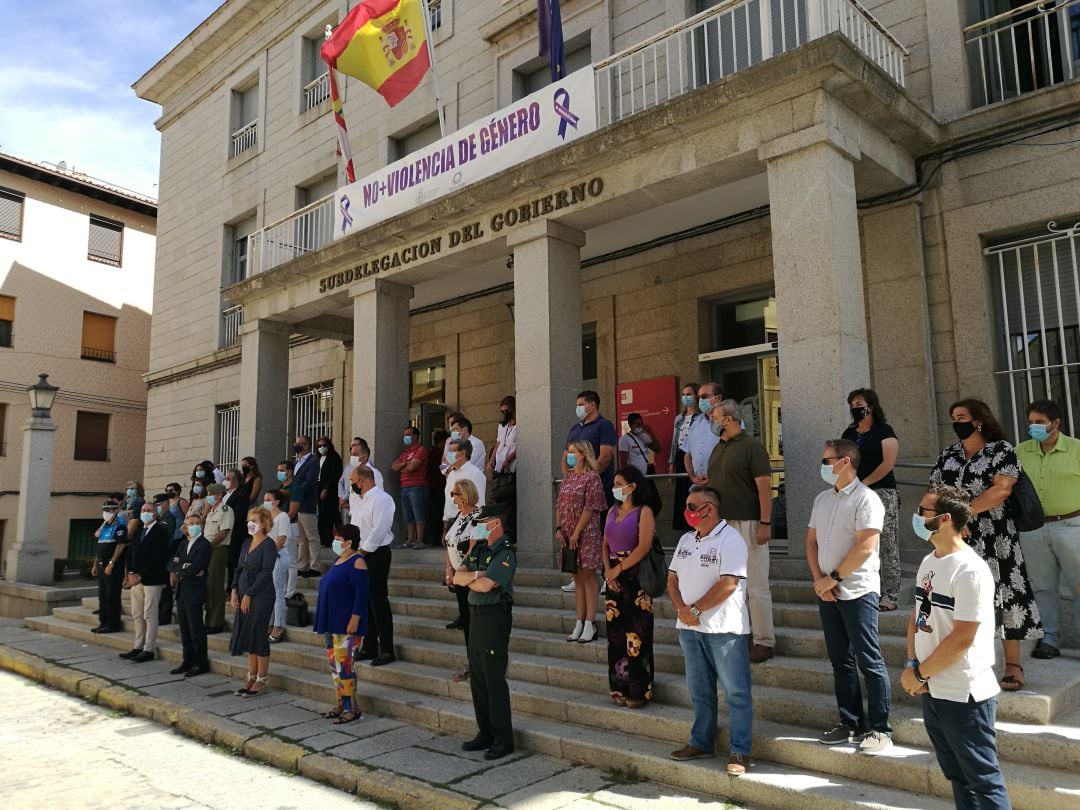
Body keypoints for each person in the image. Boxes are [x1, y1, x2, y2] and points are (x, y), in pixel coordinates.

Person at [903, 485, 1010, 809]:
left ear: (945, 519)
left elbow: (963, 638)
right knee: (957, 775)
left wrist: (920, 673)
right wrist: (912, 666)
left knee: (982, 779)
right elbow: (917, 616)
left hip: (964, 694)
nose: (917, 517)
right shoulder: (929, 561)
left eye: (924, 511)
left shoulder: (970, 569)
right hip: (933, 689)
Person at [930, 399, 1043, 690]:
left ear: (979, 420)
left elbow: (1002, 488)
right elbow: (936, 491)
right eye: (953, 417)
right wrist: (952, 520)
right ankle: (961, 659)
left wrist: (965, 512)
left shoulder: (1001, 450)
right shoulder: (949, 455)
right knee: (960, 597)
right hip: (957, 537)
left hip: (997, 536)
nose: (956, 422)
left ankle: (1013, 664)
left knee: (1006, 593)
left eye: (962, 416)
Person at [808, 439, 892, 753]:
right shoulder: (822, 499)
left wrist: (835, 578)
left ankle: (880, 728)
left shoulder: (866, 499)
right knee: (840, 659)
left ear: (845, 462)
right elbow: (811, 542)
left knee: (869, 660)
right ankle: (850, 722)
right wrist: (820, 580)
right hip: (828, 590)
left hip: (857, 590)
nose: (823, 466)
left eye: (826, 460)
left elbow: (866, 546)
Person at [667, 485, 753, 776]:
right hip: (690, 628)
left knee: (736, 692)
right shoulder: (686, 539)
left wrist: (694, 610)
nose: (688, 511)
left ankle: (740, 751)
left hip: (723, 628)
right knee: (699, 691)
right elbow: (671, 578)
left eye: (692, 506)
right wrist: (682, 610)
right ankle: (701, 742)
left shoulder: (731, 539)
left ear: (710, 509)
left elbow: (729, 583)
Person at [706, 399, 776, 664]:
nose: (711, 420)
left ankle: (763, 641)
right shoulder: (718, 448)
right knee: (730, 585)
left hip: (749, 523)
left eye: (715, 416)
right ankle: (739, 634)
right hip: (722, 525)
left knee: (756, 585)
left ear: (728, 418)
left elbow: (764, 488)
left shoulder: (752, 447)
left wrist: (766, 523)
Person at [1015, 398, 1080, 659]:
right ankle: (1049, 639)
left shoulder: (1076, 449)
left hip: (1072, 525)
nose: (1034, 427)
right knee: (1041, 586)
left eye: (1039, 422)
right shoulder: (1020, 451)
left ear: (1055, 423)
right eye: (1030, 423)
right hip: (1033, 529)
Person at [453, 504, 517, 760]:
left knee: (493, 677)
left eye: (483, 521)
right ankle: (485, 732)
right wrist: (475, 576)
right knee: (478, 677)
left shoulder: (505, 553)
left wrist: (475, 578)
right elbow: (458, 578)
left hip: (494, 618)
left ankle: (503, 738)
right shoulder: (478, 549)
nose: (478, 526)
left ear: (496, 524)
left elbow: (488, 585)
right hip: (476, 618)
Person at [602, 466, 660, 708]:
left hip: (636, 574)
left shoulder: (643, 512)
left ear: (632, 486)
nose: (615, 487)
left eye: (619, 483)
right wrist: (608, 570)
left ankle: (639, 690)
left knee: (638, 634)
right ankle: (619, 688)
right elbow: (604, 542)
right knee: (616, 636)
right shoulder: (612, 512)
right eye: (613, 483)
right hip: (613, 574)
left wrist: (619, 569)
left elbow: (643, 547)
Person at [842, 388, 902, 612]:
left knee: (887, 543)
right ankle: (867, 590)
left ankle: (891, 594)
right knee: (860, 542)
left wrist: (863, 483)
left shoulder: (884, 431)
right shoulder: (850, 433)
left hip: (882, 491)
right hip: (854, 493)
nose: (854, 408)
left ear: (871, 406)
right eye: (851, 405)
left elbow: (888, 463)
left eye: (858, 404)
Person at [315, 523, 370, 725]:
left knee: (344, 666)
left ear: (348, 542)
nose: (335, 542)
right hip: (331, 622)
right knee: (335, 666)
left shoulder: (357, 562)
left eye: (338, 539)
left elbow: (362, 595)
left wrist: (355, 619)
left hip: (346, 624)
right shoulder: (339, 560)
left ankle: (350, 708)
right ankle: (341, 702)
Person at [556, 440, 607, 644]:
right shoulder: (568, 477)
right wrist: (559, 528)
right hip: (567, 534)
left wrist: (577, 532)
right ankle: (579, 620)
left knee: (588, 575)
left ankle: (590, 622)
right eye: (567, 452)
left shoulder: (592, 477)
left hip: (586, 533)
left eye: (572, 452)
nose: (569, 455)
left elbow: (590, 507)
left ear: (583, 455)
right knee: (576, 577)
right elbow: (559, 504)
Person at [229, 508, 279, 697]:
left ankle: (262, 678)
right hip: (243, 593)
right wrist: (234, 590)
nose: (250, 523)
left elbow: (266, 572)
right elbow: (239, 568)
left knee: (258, 633)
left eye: (255, 520)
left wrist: (249, 594)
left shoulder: (268, 545)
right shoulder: (246, 542)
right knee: (247, 634)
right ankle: (252, 675)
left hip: (261, 595)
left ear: (264, 523)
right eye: (249, 520)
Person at [351, 467, 397, 667]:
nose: (351, 484)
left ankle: (387, 648)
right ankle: (369, 644)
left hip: (376, 554)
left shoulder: (382, 499)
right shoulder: (360, 500)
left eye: (353, 480)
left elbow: (379, 529)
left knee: (378, 601)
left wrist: (363, 552)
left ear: (362, 481)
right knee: (365, 601)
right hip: (359, 553)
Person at [119, 502, 172, 662]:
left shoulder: (161, 531)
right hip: (136, 580)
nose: (145, 513)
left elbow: (159, 557)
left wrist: (140, 574)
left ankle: (149, 649)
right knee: (137, 613)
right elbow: (131, 553)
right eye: (143, 510)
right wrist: (130, 573)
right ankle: (138, 646)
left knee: (150, 613)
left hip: (153, 579)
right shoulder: (138, 531)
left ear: (155, 514)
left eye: (149, 510)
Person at [443, 478, 481, 680]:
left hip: (471, 577)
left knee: (475, 623)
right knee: (466, 621)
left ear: (464, 495)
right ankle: (471, 662)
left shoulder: (480, 517)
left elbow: (478, 546)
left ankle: (478, 664)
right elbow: (448, 544)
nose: (453, 498)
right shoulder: (458, 516)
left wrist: (463, 569)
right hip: (457, 576)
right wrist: (449, 569)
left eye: (455, 494)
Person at [168, 513, 211, 677]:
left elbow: (197, 566)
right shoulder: (183, 544)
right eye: (190, 523)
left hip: (194, 591)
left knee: (196, 629)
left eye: (196, 523)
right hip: (181, 591)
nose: (193, 525)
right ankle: (188, 660)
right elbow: (171, 563)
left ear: (201, 526)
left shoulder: (204, 545)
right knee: (185, 629)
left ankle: (201, 662)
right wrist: (183, 568)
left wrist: (183, 568)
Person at [564, 390, 618, 503]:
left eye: (581, 405)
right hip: (576, 488)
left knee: (599, 519)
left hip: (599, 486)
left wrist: (588, 480)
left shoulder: (604, 425)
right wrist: (570, 481)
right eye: (577, 405)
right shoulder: (575, 428)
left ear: (592, 405)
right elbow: (565, 456)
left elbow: (605, 457)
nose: (578, 408)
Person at [91, 499, 128, 634]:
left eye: (109, 511)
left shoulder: (120, 526)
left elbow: (121, 545)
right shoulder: (105, 526)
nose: (106, 513)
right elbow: (99, 543)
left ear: (115, 511)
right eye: (104, 511)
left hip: (112, 565)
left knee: (112, 595)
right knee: (103, 596)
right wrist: (95, 564)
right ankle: (103, 622)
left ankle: (112, 624)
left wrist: (112, 563)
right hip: (101, 563)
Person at [202, 483, 234, 634]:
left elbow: (223, 532)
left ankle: (216, 622)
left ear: (219, 495)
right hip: (208, 549)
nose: (209, 497)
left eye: (211, 494)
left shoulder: (225, 510)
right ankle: (209, 620)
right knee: (207, 586)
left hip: (218, 549)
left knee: (215, 586)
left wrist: (208, 545)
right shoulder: (211, 511)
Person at [671, 383, 702, 531]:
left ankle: (699, 521)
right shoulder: (679, 418)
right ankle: (684, 524)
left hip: (695, 455)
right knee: (682, 491)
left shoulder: (701, 417)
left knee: (695, 488)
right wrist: (671, 463)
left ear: (697, 396)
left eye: (689, 394)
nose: (686, 397)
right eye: (683, 394)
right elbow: (674, 441)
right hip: (680, 455)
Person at [265, 488, 295, 644]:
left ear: (276, 501)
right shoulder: (266, 516)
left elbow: (281, 538)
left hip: (278, 555)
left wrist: (270, 553)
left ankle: (278, 626)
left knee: (278, 593)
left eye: (268, 499)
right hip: (267, 557)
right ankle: (269, 623)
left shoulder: (282, 517)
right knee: (268, 593)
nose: (266, 502)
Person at [392, 426, 429, 549]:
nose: (405, 437)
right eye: (405, 435)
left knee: (418, 514)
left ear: (415, 436)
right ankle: (409, 540)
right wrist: (405, 464)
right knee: (408, 516)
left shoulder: (421, 450)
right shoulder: (405, 453)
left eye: (408, 434)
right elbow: (394, 467)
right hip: (404, 487)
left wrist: (403, 467)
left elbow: (413, 467)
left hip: (417, 487)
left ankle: (419, 540)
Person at [443, 438, 487, 536]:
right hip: (452, 524)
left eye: (452, 451)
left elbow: (479, 504)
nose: (449, 454)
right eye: (448, 451)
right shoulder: (451, 475)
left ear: (462, 453)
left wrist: (480, 533)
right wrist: (445, 528)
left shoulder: (475, 473)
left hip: (468, 524)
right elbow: (448, 502)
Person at [291, 435, 321, 577]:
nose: (297, 446)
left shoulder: (313, 461)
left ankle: (315, 565)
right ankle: (302, 565)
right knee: (301, 538)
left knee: (311, 536)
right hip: (298, 504)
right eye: (296, 443)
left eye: (300, 444)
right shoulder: (298, 462)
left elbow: (310, 482)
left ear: (307, 446)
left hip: (307, 503)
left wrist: (297, 492)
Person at [683, 382, 723, 488]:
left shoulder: (730, 420)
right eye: (699, 397)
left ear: (718, 398)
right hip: (699, 484)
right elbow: (688, 454)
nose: (701, 400)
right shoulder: (696, 423)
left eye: (704, 396)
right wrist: (692, 477)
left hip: (722, 482)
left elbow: (735, 452)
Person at [488, 396, 518, 536]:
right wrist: (492, 460)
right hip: (500, 466)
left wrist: (510, 458)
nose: (505, 413)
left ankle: (511, 532)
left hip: (512, 467)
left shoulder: (518, 425)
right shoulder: (502, 426)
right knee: (500, 498)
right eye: (503, 411)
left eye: (507, 410)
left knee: (511, 501)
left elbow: (520, 445)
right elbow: (498, 444)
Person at [339, 437, 383, 523]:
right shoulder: (354, 472)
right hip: (355, 518)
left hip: (367, 521)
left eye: (355, 455)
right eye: (351, 455)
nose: (352, 458)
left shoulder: (373, 474)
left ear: (365, 456)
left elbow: (377, 499)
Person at [222, 468, 250, 598]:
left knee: (234, 561)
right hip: (226, 532)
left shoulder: (241, 493)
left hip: (236, 532)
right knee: (229, 561)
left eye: (228, 479)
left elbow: (239, 514)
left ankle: (233, 588)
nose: (225, 481)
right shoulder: (226, 494)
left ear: (236, 480)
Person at [316, 436, 344, 549]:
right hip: (319, 486)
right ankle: (324, 539)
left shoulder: (333, 457)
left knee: (330, 515)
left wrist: (326, 488)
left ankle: (329, 540)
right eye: (319, 446)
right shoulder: (318, 458)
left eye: (324, 445)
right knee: (322, 515)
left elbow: (334, 475)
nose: (322, 448)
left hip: (330, 490)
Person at [425, 429, 450, 546]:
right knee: (436, 514)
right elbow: (430, 470)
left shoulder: (442, 452)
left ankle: (436, 539)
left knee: (439, 513)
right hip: (435, 487)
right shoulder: (434, 453)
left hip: (440, 486)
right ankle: (434, 539)